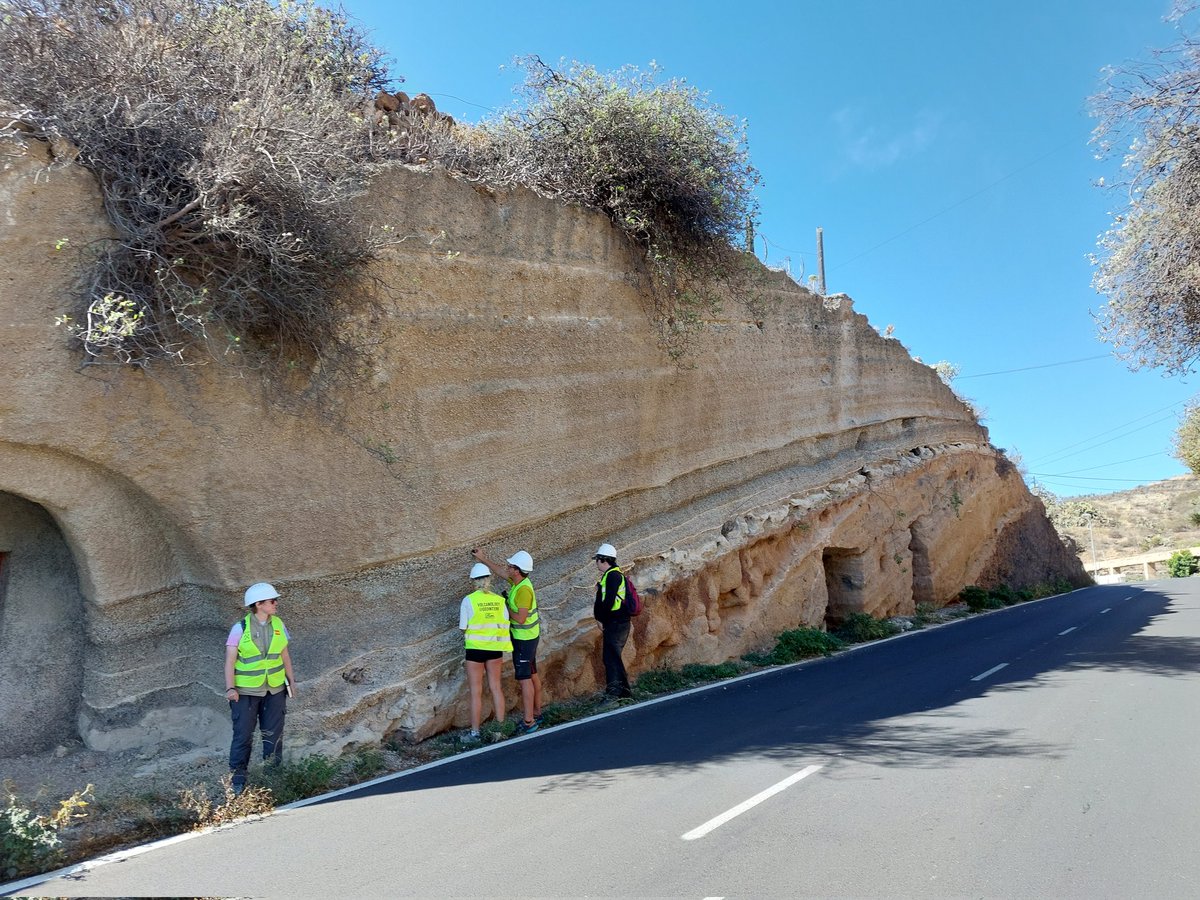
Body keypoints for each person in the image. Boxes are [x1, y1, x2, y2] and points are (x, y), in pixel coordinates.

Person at [224, 582, 296, 795]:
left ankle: (273, 779)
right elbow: (229, 661)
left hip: (275, 690)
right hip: (245, 693)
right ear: (258, 604)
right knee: (243, 736)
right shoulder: (240, 628)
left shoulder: (279, 624)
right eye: (272, 601)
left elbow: (284, 655)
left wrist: (291, 681)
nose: (276, 604)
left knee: (274, 735)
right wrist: (230, 688)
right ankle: (237, 782)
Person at [472, 546, 542, 734]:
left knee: (525, 678)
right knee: (532, 673)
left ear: (517, 570)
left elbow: (520, 618)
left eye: (511, 566)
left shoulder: (523, 591)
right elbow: (500, 571)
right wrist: (483, 558)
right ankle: (537, 712)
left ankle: (529, 721)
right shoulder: (518, 582)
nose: (507, 567)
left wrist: (504, 606)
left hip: (524, 639)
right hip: (529, 637)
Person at [460, 562, 512, 739]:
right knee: (496, 688)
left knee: (476, 691)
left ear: (473, 581)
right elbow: (504, 623)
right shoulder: (499, 600)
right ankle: (500, 729)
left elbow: (463, 627)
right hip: (494, 648)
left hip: (475, 650)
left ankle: (475, 733)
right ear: (489, 579)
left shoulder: (469, 600)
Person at [593, 543, 633, 699]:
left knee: (611, 658)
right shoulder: (610, 576)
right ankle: (623, 693)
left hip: (616, 623)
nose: (596, 563)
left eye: (596, 559)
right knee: (611, 657)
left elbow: (608, 603)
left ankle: (615, 694)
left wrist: (601, 619)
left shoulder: (613, 576)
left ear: (603, 559)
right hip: (616, 622)